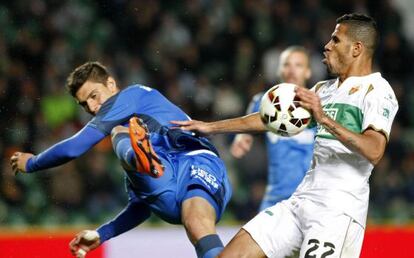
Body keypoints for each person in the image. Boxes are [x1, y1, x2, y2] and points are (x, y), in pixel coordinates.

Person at [173, 13, 398, 257]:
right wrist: (210, 127)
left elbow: (374, 150)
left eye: (335, 39)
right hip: (299, 201)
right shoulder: (323, 90)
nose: (327, 45)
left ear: (356, 48)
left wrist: (323, 119)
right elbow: (268, 118)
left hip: (337, 213)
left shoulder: (377, 90)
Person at [9, 61, 232, 258]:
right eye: (85, 104)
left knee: (196, 220)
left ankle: (142, 161)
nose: (93, 108)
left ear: (111, 84)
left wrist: (31, 162)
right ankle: (143, 162)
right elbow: (141, 208)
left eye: (94, 96)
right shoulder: (129, 134)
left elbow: (75, 147)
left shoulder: (133, 95)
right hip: (162, 182)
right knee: (193, 225)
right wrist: (102, 234)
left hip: (192, 159)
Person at [230, 46, 315, 211]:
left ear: (308, 72)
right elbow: (246, 129)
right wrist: (243, 137)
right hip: (275, 200)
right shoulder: (263, 103)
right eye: (286, 65)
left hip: (311, 201)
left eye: (298, 65)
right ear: (279, 70)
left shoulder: (318, 105)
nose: (291, 70)